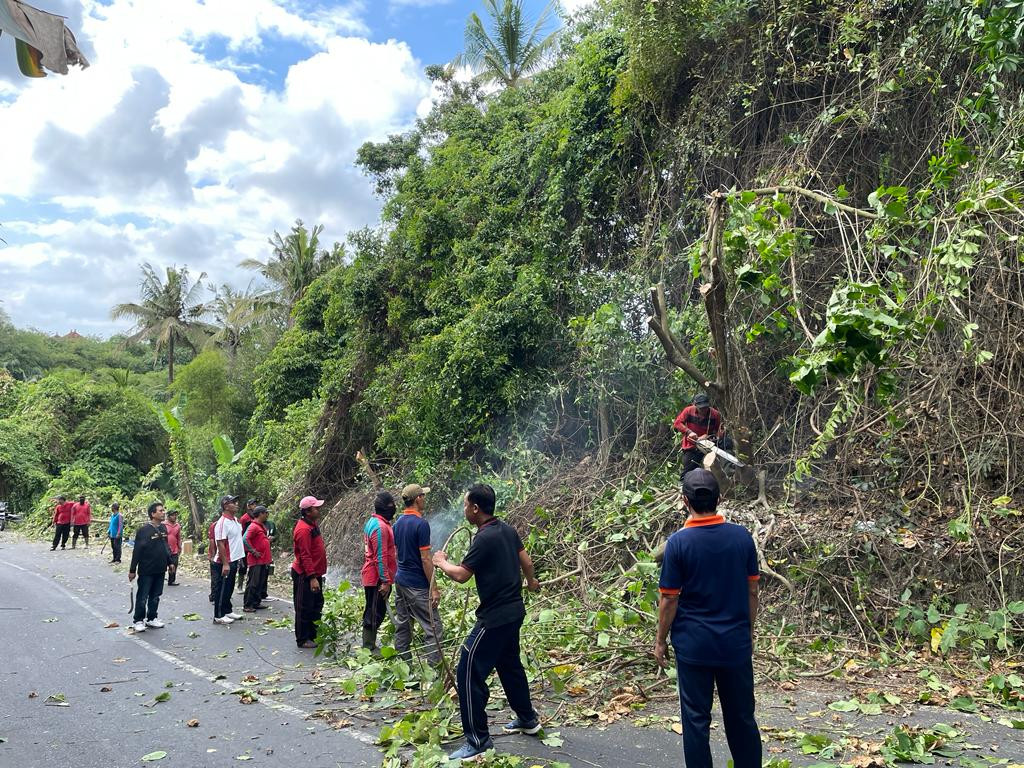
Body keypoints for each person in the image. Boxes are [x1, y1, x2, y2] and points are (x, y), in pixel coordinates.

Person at [654, 469, 761, 768]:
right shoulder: (742, 538)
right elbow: (752, 590)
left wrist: (660, 640)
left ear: (684, 501)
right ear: (720, 499)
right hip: (734, 647)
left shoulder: (678, 543)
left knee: (696, 722)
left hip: (694, 648)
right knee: (741, 718)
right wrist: (748, 632)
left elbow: (669, 598)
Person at [433, 483, 542, 762]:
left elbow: (461, 575)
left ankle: (478, 741)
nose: (464, 509)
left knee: (468, 669)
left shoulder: (483, 538)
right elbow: (526, 561)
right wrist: (531, 582)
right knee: (509, 665)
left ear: (475, 508)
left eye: (465, 504)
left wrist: (441, 562)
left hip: (494, 618)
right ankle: (528, 719)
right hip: (515, 611)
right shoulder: (507, 530)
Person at [392, 483, 443, 665]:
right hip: (417, 585)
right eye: (423, 495)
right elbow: (426, 559)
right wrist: (433, 588)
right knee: (434, 628)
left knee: (403, 625)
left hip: (401, 581)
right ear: (417, 499)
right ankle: (434, 671)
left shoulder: (397, 524)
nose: (424, 499)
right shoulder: (421, 524)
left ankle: (403, 667)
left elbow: (397, 554)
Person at [361, 491, 398, 651]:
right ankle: (368, 647)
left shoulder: (373, 522)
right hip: (376, 577)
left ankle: (369, 645)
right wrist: (385, 581)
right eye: (392, 505)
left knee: (374, 610)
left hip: (373, 574)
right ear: (386, 508)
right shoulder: (380, 527)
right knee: (374, 612)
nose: (395, 508)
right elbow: (380, 557)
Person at [128, 501, 171, 632]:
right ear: (153, 514)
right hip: (147, 569)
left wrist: (170, 562)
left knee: (156, 595)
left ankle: (152, 618)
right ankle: (138, 620)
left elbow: (165, 547)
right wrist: (132, 570)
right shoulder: (143, 530)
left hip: (160, 568)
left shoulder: (164, 528)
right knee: (143, 595)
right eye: (160, 511)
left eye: (163, 510)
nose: (163, 513)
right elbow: (137, 551)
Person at [291, 495, 327, 649]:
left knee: (316, 604)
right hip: (305, 575)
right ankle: (303, 638)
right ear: (307, 511)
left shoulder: (312, 524)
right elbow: (305, 555)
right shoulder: (303, 530)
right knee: (304, 606)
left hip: (315, 573)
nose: (318, 509)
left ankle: (313, 634)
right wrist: (312, 577)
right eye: (315, 508)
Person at [673, 393, 726, 477]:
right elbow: (677, 423)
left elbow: (718, 431)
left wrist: (714, 436)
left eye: (705, 407)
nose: (703, 410)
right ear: (695, 405)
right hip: (691, 446)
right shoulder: (688, 411)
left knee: (727, 443)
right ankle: (684, 484)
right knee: (688, 471)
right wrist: (689, 432)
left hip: (708, 445)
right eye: (701, 408)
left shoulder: (715, 414)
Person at [212, 495, 245, 625]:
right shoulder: (222, 523)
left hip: (234, 559)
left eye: (236, 502)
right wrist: (225, 564)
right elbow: (220, 543)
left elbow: (236, 541)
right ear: (226, 506)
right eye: (233, 502)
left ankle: (227, 610)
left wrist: (239, 557)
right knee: (222, 588)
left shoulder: (235, 520)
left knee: (229, 587)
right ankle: (218, 615)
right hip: (223, 562)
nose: (236, 504)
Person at [242, 505, 272, 612]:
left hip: (263, 559)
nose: (267, 515)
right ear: (260, 514)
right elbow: (245, 539)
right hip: (256, 560)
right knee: (253, 583)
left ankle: (256, 602)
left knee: (260, 582)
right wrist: (253, 551)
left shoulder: (260, 526)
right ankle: (248, 605)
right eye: (265, 513)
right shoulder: (253, 526)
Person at [237, 499, 257, 592]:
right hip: (245, 545)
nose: (254, 506)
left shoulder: (256, 517)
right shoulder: (244, 518)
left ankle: (250, 586)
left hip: (254, 545)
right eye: (253, 504)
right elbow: (241, 533)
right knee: (243, 566)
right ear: (248, 506)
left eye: (255, 504)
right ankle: (240, 586)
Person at [164, 510, 182, 586]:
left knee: (174, 564)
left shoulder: (177, 526)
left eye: (175, 515)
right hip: (165, 549)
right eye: (172, 515)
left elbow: (179, 537)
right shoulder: (163, 524)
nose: (174, 517)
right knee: (162, 565)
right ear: (168, 516)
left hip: (174, 549)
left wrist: (179, 547)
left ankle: (171, 580)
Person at [207, 514, 219, 602]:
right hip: (216, 554)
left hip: (223, 554)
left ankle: (218, 595)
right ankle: (214, 595)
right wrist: (213, 555)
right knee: (215, 576)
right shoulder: (214, 526)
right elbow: (211, 541)